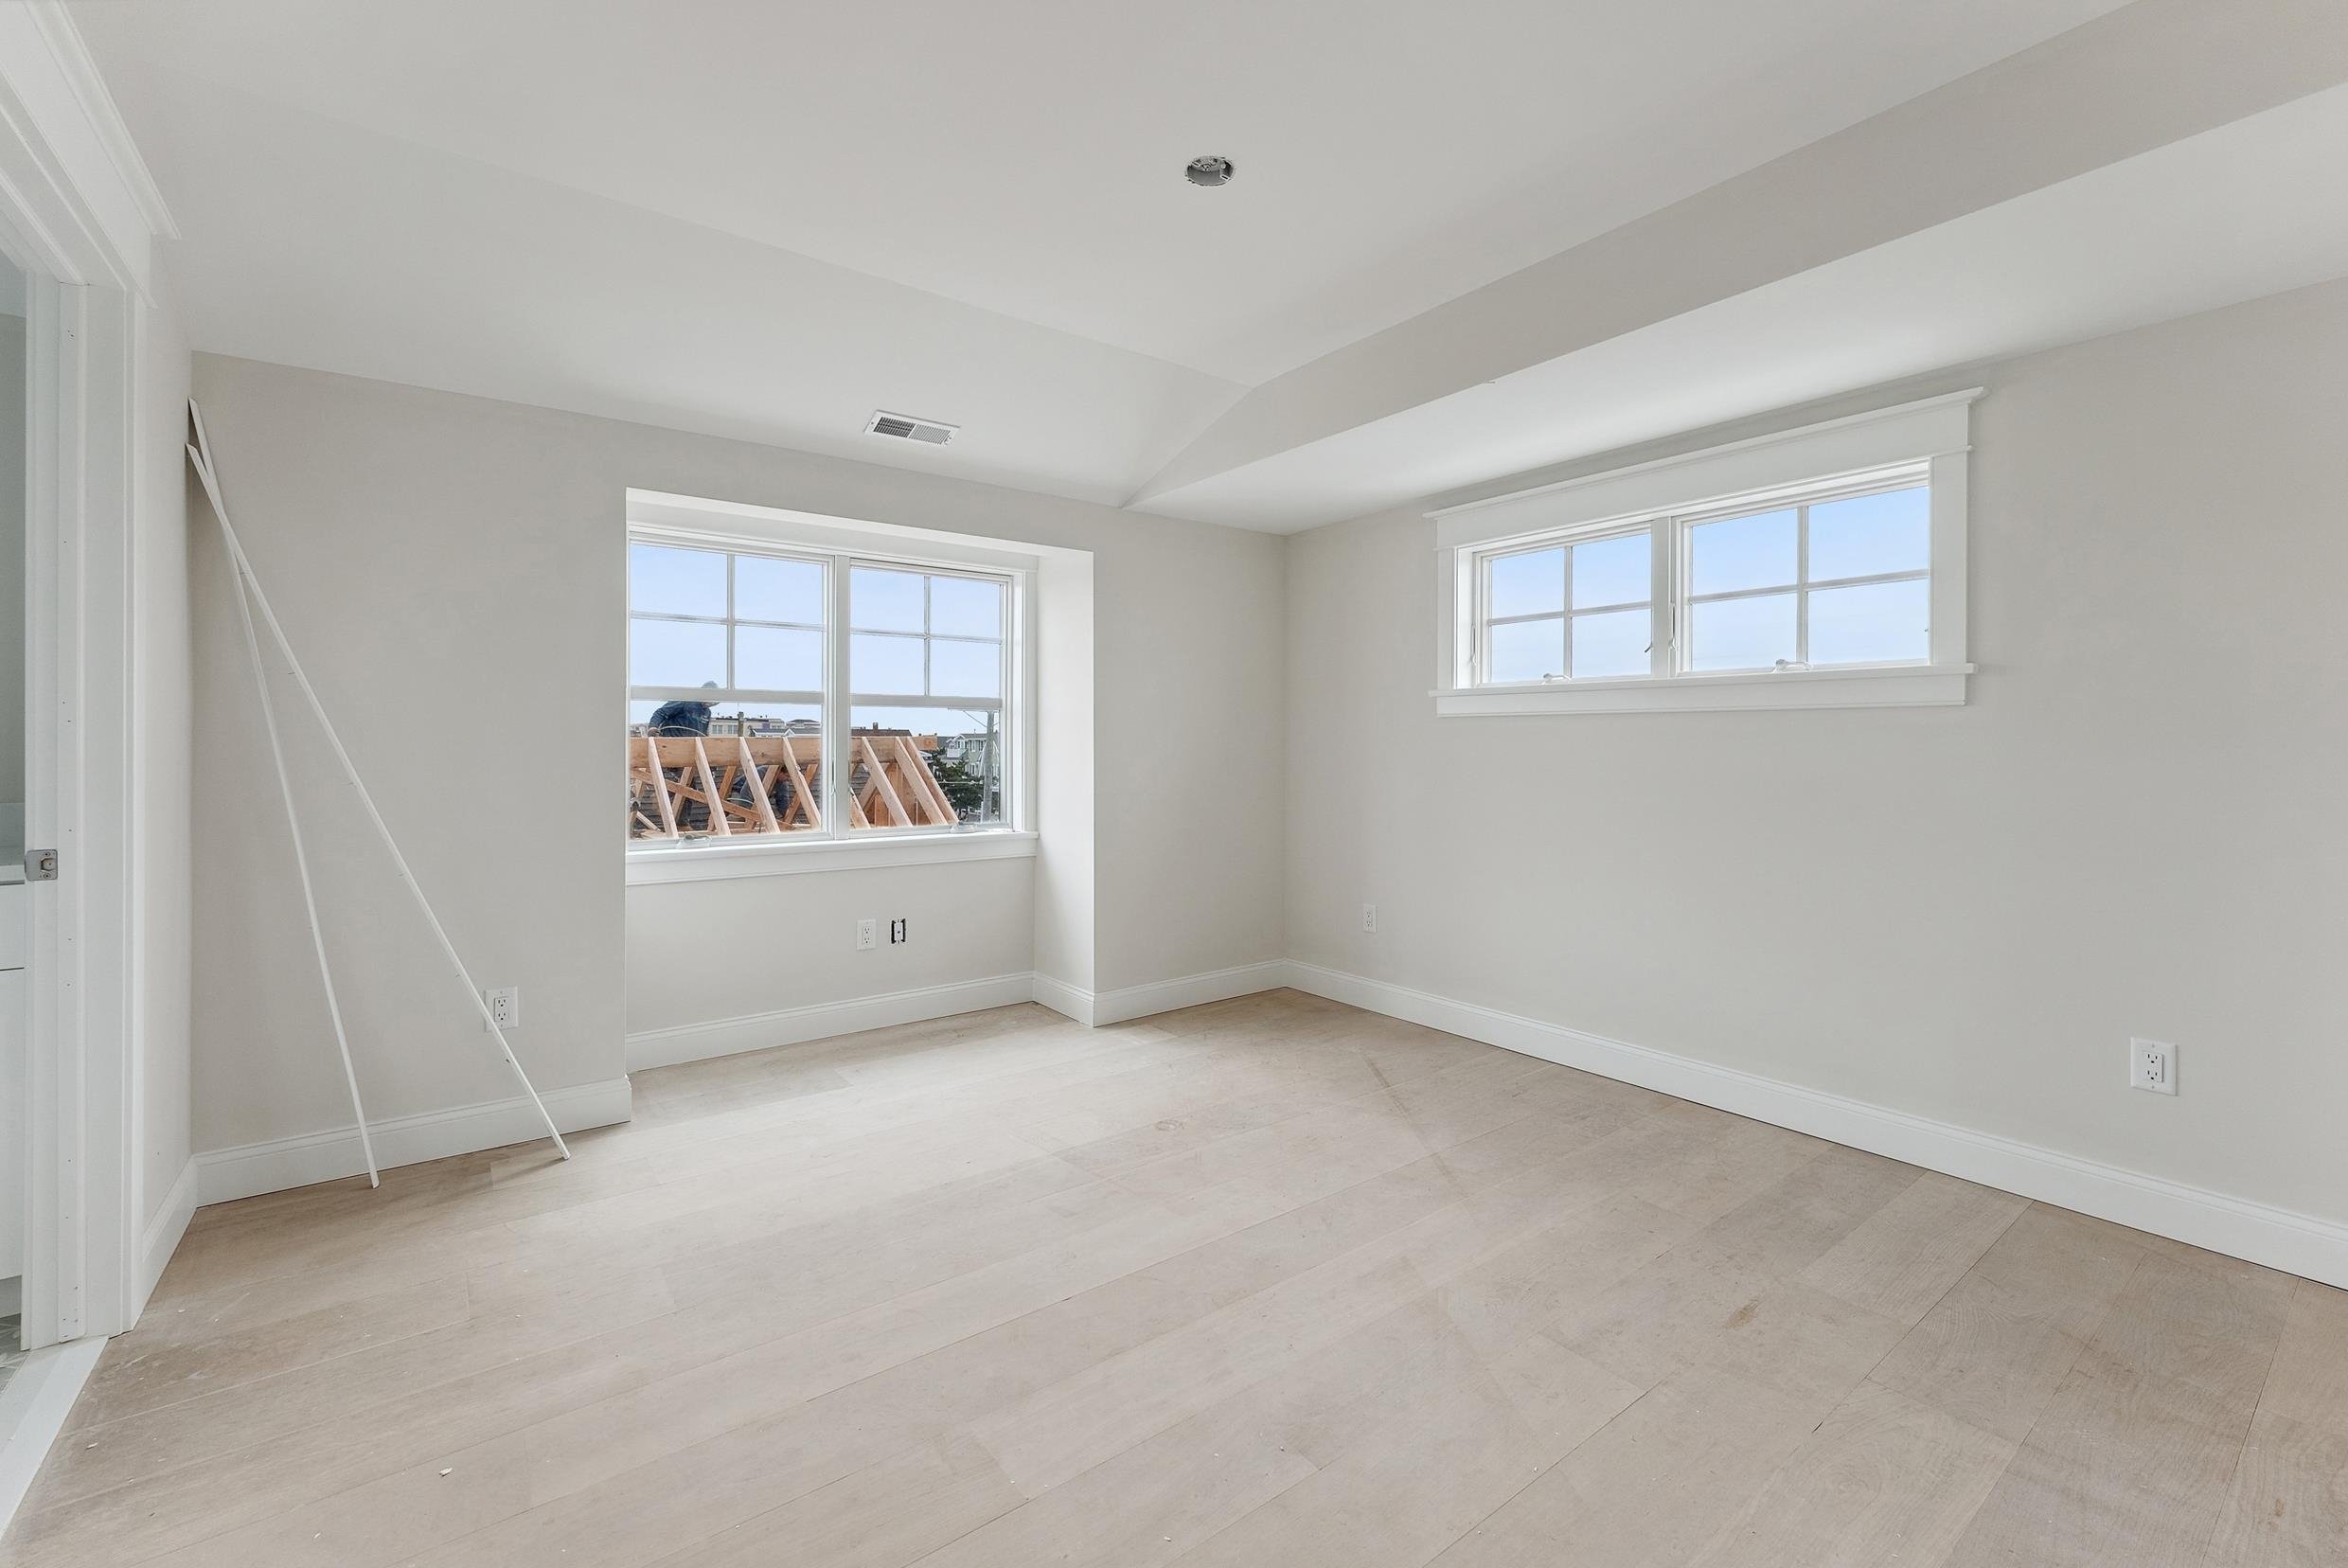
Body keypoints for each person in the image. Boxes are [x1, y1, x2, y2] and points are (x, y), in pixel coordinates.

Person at [647, 682, 720, 737]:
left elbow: (703, 732)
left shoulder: (707, 712)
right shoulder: (685, 701)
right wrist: (653, 726)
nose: (710, 704)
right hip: (671, 741)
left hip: (690, 745)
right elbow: (661, 712)